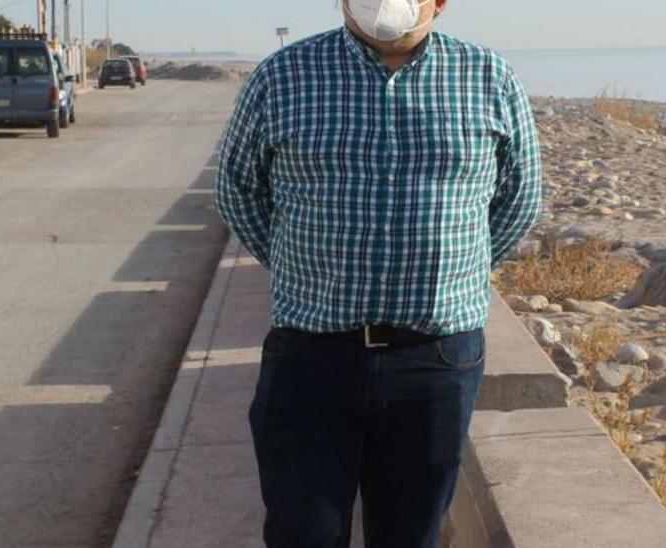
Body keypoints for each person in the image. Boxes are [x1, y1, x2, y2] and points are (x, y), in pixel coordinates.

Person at [213, 0, 542, 546]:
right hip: (311, 358)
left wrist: (457, 275)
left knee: (410, 536)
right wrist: (305, 270)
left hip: (434, 364)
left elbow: (519, 199)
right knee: (301, 533)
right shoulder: (283, 75)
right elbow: (238, 189)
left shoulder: (489, 76)